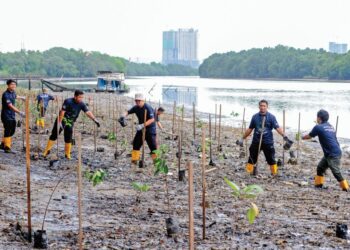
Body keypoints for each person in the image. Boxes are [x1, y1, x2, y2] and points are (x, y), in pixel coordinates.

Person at [237, 100, 292, 175]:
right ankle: (249, 171)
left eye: (264, 106)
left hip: (268, 142)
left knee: (271, 159)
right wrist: (242, 138)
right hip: (256, 141)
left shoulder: (271, 117)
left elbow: (277, 128)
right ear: (259, 106)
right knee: (252, 158)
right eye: (261, 106)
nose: (262, 107)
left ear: (267, 107)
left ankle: (274, 173)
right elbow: (250, 129)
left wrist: (285, 137)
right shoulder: (255, 117)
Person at [43, 90, 100, 159]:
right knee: (54, 134)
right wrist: (59, 122)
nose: (81, 99)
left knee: (68, 137)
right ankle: (47, 151)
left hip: (70, 121)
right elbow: (62, 112)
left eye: (82, 97)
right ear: (75, 96)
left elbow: (87, 112)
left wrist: (94, 119)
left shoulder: (81, 104)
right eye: (79, 97)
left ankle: (67, 154)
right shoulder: (68, 101)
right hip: (62, 119)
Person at [302, 109, 348, 191]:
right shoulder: (330, 126)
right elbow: (323, 131)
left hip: (333, 154)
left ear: (319, 118)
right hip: (332, 152)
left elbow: (309, 136)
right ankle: (319, 184)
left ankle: (346, 187)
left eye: (317, 117)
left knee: (336, 172)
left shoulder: (318, 127)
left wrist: (301, 137)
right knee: (320, 167)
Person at [119, 93, 156, 166]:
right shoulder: (136, 108)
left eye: (139, 101)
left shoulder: (147, 108)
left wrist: (142, 125)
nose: (138, 102)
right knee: (136, 144)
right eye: (136, 101)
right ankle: (134, 160)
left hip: (150, 129)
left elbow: (152, 119)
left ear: (143, 100)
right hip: (141, 129)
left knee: (153, 146)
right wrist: (123, 116)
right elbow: (128, 112)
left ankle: (156, 162)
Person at [0, 79, 25, 153]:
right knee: (8, 130)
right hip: (6, 115)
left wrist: (22, 98)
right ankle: (7, 148)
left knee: (12, 130)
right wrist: (19, 112)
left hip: (12, 115)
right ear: (8, 85)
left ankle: (2, 144)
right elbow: (10, 105)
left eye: (14, 84)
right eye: (12, 84)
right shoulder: (5, 94)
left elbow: (15, 96)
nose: (13, 86)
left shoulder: (13, 92)